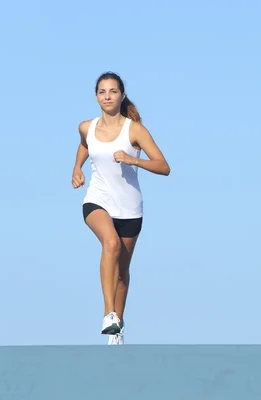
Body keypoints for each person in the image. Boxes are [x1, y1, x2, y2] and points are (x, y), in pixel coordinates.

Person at [71, 72, 170, 345]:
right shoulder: (86, 127)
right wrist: (76, 168)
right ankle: (108, 314)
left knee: (122, 274)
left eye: (113, 91)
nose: (107, 96)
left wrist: (132, 160)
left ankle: (118, 329)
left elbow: (164, 166)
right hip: (97, 200)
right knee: (110, 244)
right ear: (96, 97)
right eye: (102, 92)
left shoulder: (134, 130)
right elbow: (84, 145)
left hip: (130, 210)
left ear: (121, 95)